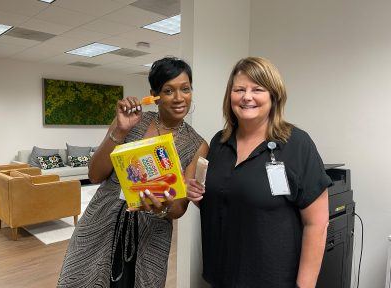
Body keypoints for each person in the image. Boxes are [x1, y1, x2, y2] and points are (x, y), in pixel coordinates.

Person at [57, 57, 208, 288]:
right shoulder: (132, 123)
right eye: (169, 90)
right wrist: (120, 130)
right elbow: (95, 175)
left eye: (185, 89)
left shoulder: (196, 145)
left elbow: (179, 208)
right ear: (154, 95)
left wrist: (163, 206)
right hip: (102, 221)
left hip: (150, 236)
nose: (179, 98)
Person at [187, 57, 332, 288]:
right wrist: (196, 195)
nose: (247, 96)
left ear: (274, 96)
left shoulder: (296, 144)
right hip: (222, 276)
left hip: (272, 279)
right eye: (239, 89)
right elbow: (224, 199)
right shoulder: (219, 143)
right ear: (230, 96)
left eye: (257, 89)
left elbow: (317, 224)